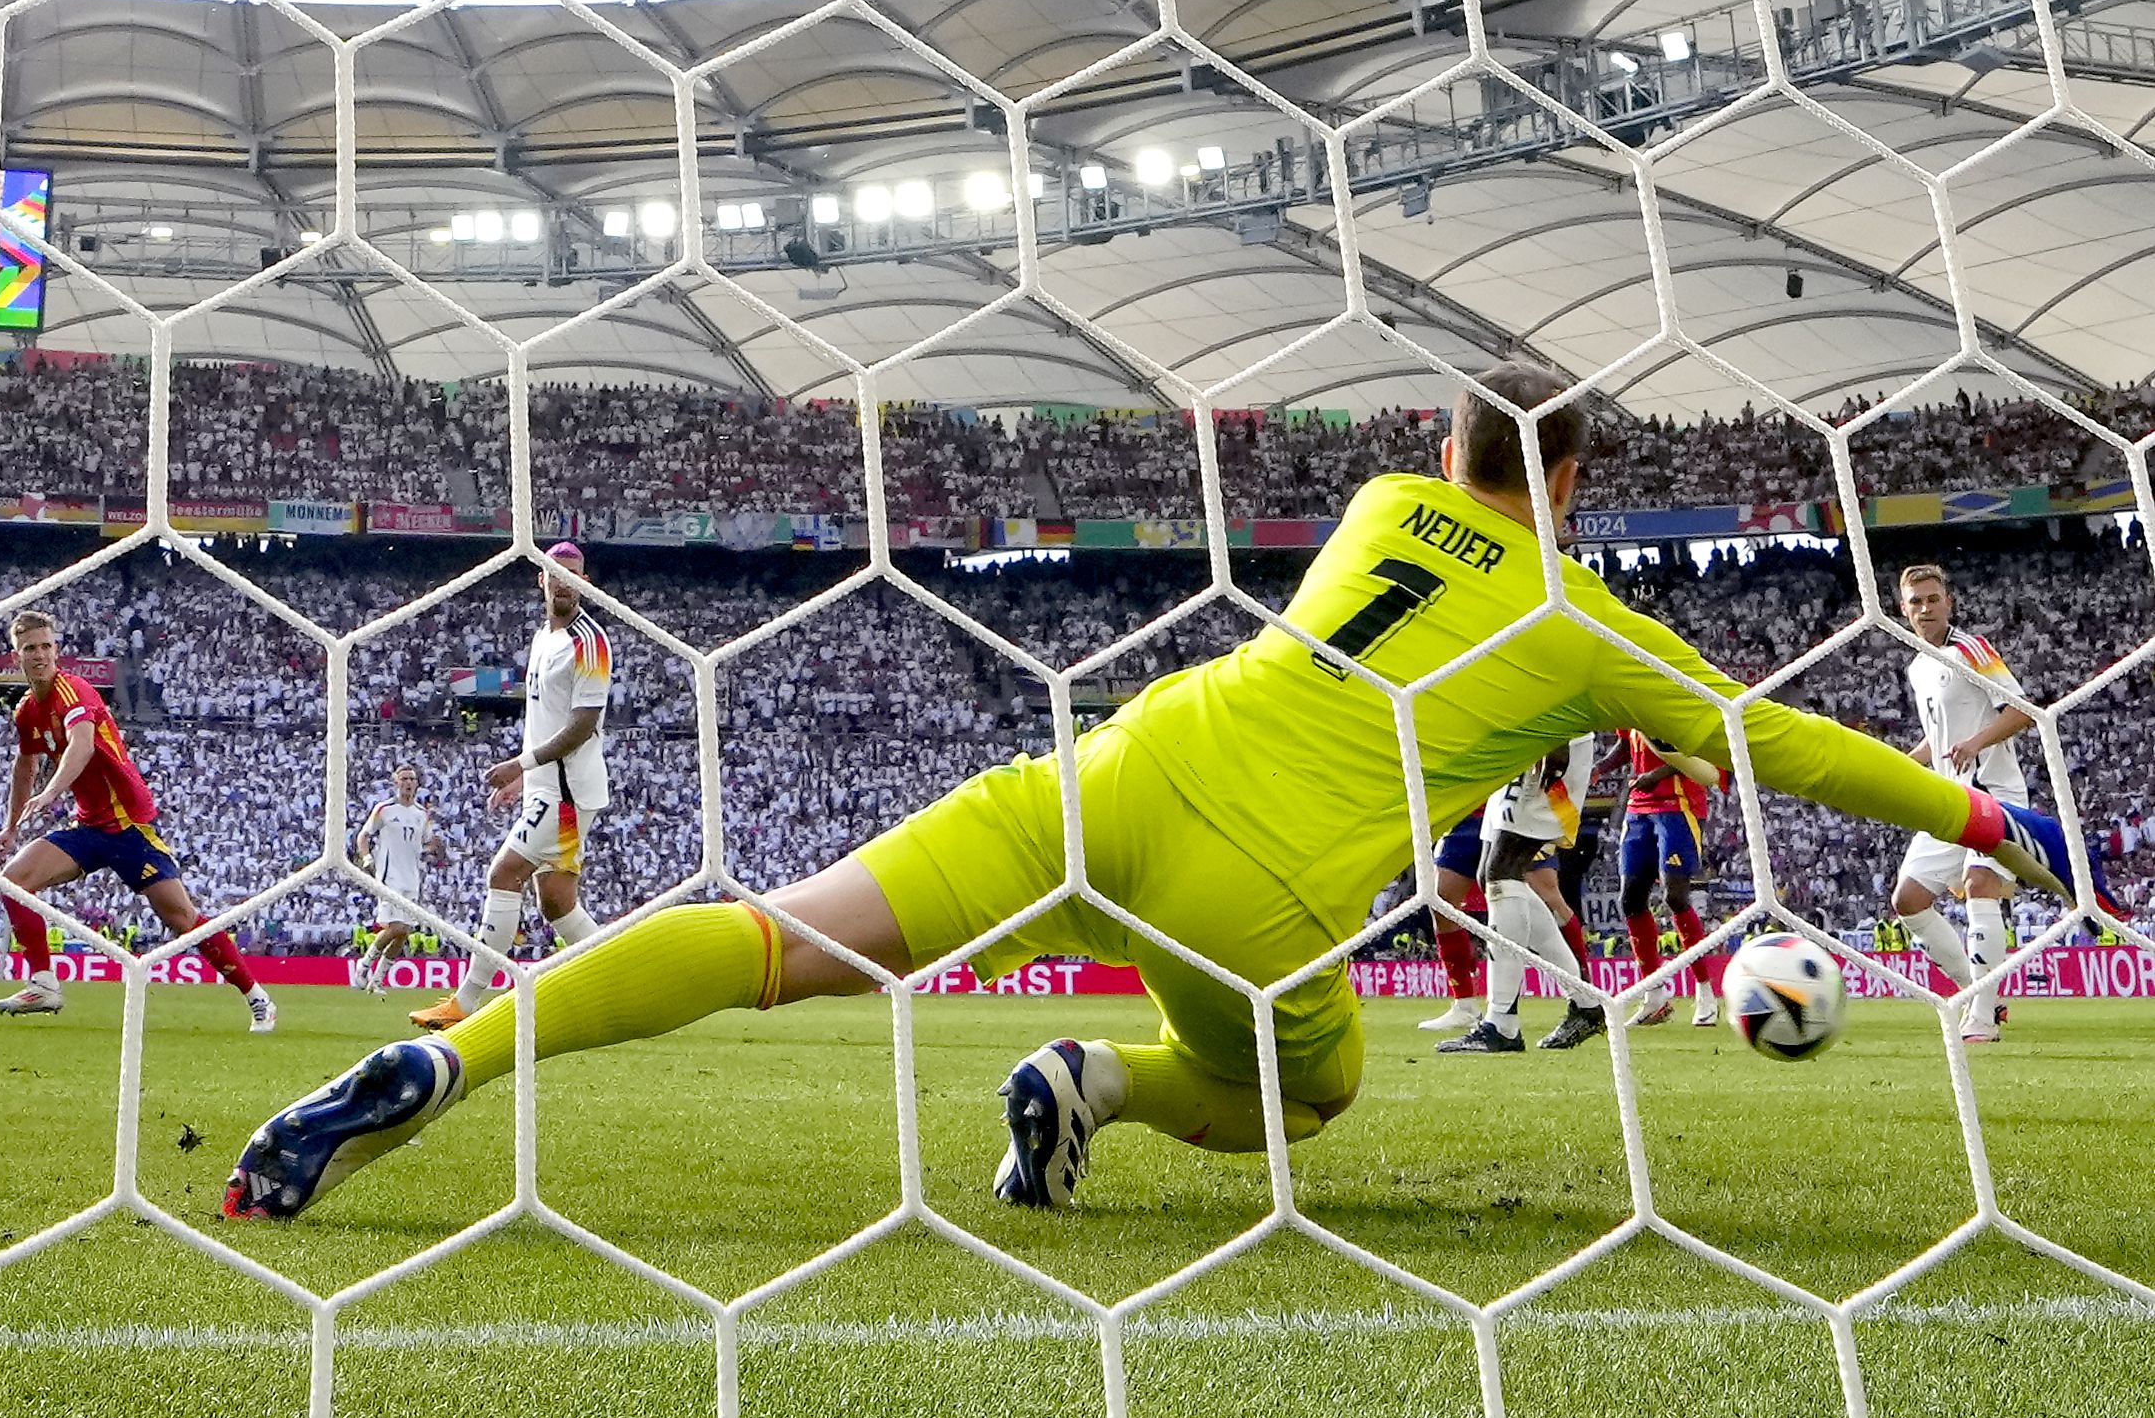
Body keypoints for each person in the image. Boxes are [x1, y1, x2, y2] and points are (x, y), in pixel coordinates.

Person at [222, 362, 2109, 1222]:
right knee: (1314, 1087)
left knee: (773, 938)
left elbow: (1463, 487)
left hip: (1118, 766)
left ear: (1434, 455)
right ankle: (1094, 1087)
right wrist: (1985, 818)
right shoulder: (1573, 605)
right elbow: (1776, 737)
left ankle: (449, 1062)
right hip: (1260, 890)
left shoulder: (1380, 509)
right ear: (1576, 490)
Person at [0, 611, 274, 1031]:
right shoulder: (28, 710)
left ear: (56, 649)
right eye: (30, 648)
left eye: (46, 645)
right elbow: (24, 765)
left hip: (129, 824)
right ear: (17, 658)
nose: (41, 654)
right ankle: (44, 983)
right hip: (90, 828)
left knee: (181, 919)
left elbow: (81, 745)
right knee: (13, 880)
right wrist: (11, 825)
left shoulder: (74, 690)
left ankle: (257, 997)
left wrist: (51, 794)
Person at [407, 543, 611, 1031]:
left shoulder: (591, 642)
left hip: (566, 793)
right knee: (557, 901)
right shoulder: (544, 637)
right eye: (557, 574)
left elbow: (583, 724)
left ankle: (465, 1002)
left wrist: (519, 764)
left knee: (504, 874)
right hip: (548, 785)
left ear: (586, 581)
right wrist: (527, 777)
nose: (566, 582)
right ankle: (619, 988)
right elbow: (545, 720)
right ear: (542, 580)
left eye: (575, 574)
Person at [1886, 562, 2034, 1042]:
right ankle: (1979, 992)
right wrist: (1906, 764)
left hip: (1993, 792)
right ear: (1902, 610)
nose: (1925, 608)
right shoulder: (1917, 666)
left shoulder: (1972, 650)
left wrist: (1977, 743)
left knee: (1979, 884)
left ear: (1948, 602)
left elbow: (2021, 712)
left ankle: (1983, 1020)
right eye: (1916, 602)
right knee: (1907, 900)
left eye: (1933, 599)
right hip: (1949, 796)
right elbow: (1939, 738)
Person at [1437, 735, 1603, 1053]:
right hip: (1519, 744)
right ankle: (1585, 1002)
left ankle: (1501, 1024)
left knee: (1502, 870)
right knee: (1492, 873)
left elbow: (1557, 684)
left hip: (1545, 738)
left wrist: (1558, 738)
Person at [1604, 730, 1726, 1026]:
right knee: (1631, 899)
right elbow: (1625, 744)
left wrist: (1656, 775)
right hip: (1639, 808)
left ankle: (1705, 991)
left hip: (1678, 805)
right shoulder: (1628, 699)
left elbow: (1697, 751)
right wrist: (1600, 767)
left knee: (1675, 896)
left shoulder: (1671, 693)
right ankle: (1653, 997)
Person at [349, 763, 441, 996]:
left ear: (417, 784)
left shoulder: (421, 814)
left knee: (405, 931)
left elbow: (427, 842)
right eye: (404, 779)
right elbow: (364, 835)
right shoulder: (385, 809)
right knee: (395, 926)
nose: (408, 783)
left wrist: (435, 848)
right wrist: (367, 858)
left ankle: (377, 980)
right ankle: (365, 965)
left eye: (412, 779)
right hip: (389, 875)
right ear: (396, 782)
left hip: (412, 877)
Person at [1416, 808, 1488, 1032]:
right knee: (1441, 902)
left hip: (1507, 811)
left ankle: (1583, 998)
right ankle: (1465, 1004)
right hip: (1461, 816)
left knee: (1538, 900)